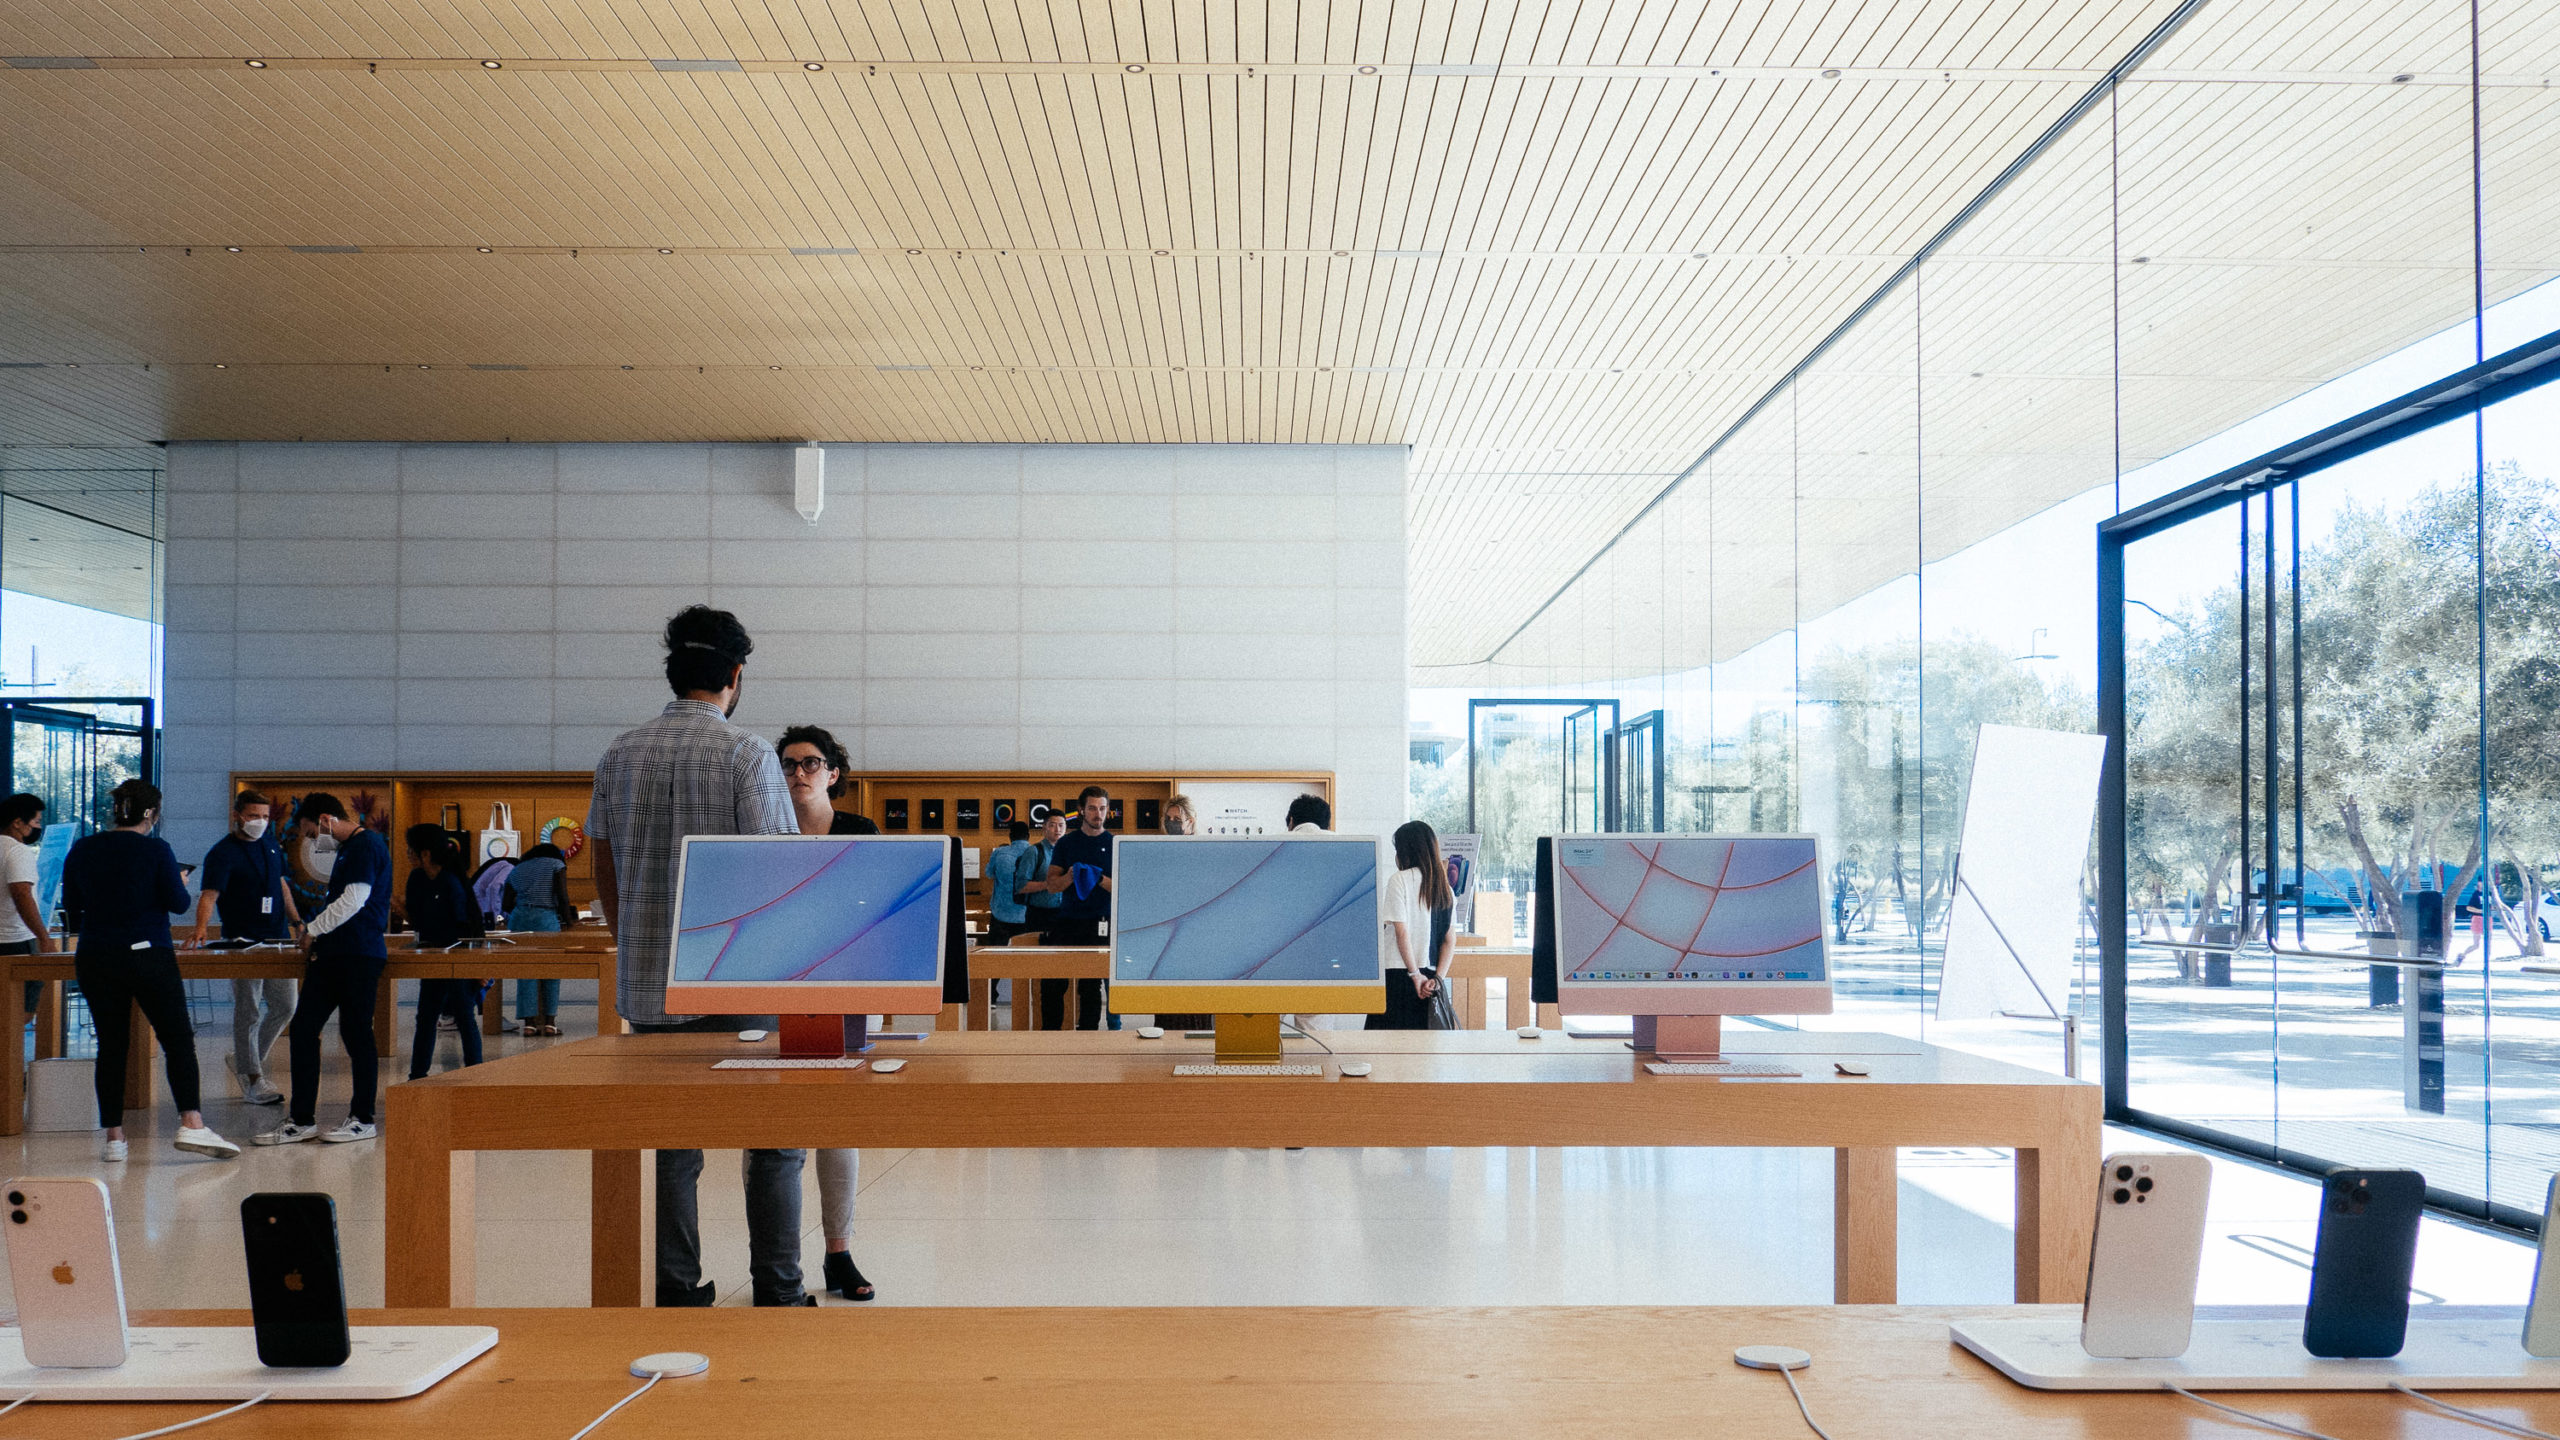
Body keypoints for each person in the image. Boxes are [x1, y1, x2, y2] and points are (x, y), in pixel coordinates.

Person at [587, 605, 812, 1308]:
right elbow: (774, 875)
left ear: (672, 670)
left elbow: (601, 861)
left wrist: (636, 944)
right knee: (775, 1142)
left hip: (650, 986)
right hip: (738, 986)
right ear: (735, 676)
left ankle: (677, 1286)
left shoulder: (618, 753)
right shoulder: (746, 754)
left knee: (672, 1146)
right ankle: (777, 1285)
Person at [59, 780, 239, 1163]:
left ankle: (114, 1138)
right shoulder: (157, 850)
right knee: (176, 1039)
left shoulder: (83, 848)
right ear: (151, 814)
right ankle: (191, 1123)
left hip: (95, 955)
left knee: (111, 1045)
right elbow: (177, 903)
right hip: (147, 954)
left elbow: (73, 906)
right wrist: (180, 880)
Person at [778, 722, 876, 1303]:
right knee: (776, 1130)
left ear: (833, 774)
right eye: (788, 764)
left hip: (843, 984)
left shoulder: (860, 830)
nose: (798, 773)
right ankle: (778, 1262)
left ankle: (838, 1251)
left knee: (838, 1123)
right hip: (776, 986)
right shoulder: (763, 831)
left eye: (810, 763)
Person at [257, 793, 393, 1146]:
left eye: (312, 833)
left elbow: (354, 899)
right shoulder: (348, 850)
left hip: (358, 953)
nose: (314, 841)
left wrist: (312, 929)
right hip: (332, 954)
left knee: (356, 1033)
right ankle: (302, 1119)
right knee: (303, 1029)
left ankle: (363, 1118)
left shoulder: (366, 846)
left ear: (326, 820)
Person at [189, 789, 301, 1104]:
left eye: (265, 817)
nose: (260, 822)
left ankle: (243, 1059)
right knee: (248, 1009)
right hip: (243, 942)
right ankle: (252, 1077)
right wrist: (200, 928)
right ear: (237, 815)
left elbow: (281, 885)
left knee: (286, 1006)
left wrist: (297, 922)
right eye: (253, 816)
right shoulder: (222, 853)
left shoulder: (270, 844)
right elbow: (209, 895)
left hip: (277, 938)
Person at [403, 825, 489, 1079]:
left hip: (459, 957)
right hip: (433, 958)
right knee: (426, 1015)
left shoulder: (452, 881)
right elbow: (419, 921)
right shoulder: (417, 879)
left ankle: (475, 1071)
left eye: (411, 849)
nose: (408, 854)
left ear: (426, 853)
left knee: (464, 1015)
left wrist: (477, 967)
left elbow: (468, 924)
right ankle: (417, 1075)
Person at [1029, 786, 1113, 1028]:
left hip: (1100, 922)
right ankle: (1051, 1038)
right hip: (1068, 920)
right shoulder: (1066, 844)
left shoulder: (1114, 843)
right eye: (1092, 808)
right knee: (1053, 982)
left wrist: (1096, 878)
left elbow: (1122, 888)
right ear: (1081, 811)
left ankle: (1088, 1038)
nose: (1098, 813)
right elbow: (1052, 885)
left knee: (1091, 985)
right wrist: (1071, 876)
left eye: (1102, 808)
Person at [1371, 821, 1456, 1031]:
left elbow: (1402, 932)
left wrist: (1414, 974)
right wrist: (1437, 979)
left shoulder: (1399, 880)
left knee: (1385, 1047)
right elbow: (1449, 940)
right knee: (1423, 1050)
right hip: (1430, 980)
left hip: (1399, 975)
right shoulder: (1445, 888)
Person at [503, 842, 576, 1035]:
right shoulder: (556, 865)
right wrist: (569, 921)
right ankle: (550, 1023)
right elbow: (562, 895)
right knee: (551, 969)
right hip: (545, 918)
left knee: (526, 971)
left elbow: (506, 902)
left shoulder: (518, 868)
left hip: (519, 920)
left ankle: (529, 1024)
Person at [0, 793, 53, 1018]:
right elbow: (22, 894)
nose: (37, 827)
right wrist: (43, 937)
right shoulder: (17, 851)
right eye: (36, 821)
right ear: (18, 823)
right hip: (16, 941)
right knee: (20, 1012)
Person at [982, 819, 1035, 946]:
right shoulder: (1036, 852)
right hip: (1027, 915)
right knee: (1027, 957)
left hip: (1001, 915)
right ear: (1028, 836)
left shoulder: (999, 853)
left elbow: (989, 873)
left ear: (1010, 836)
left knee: (996, 957)